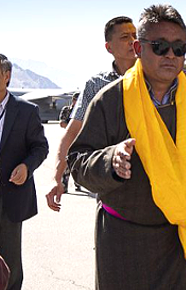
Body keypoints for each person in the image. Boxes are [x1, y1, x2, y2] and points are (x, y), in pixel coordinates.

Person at [67, 4, 186, 290]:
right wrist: (110, 160)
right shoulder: (112, 99)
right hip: (123, 243)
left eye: (179, 48)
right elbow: (78, 161)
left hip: (178, 240)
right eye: (160, 46)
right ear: (139, 48)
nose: (171, 55)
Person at [45, 16, 137, 208]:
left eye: (135, 35)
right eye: (124, 37)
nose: (133, 40)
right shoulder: (96, 86)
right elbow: (72, 133)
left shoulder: (155, 77)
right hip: (110, 185)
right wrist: (56, 178)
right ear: (109, 47)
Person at [0, 54, 49, 290]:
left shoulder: (26, 111)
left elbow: (40, 147)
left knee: (9, 263)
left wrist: (26, 166)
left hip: (10, 197)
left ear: (6, 76)